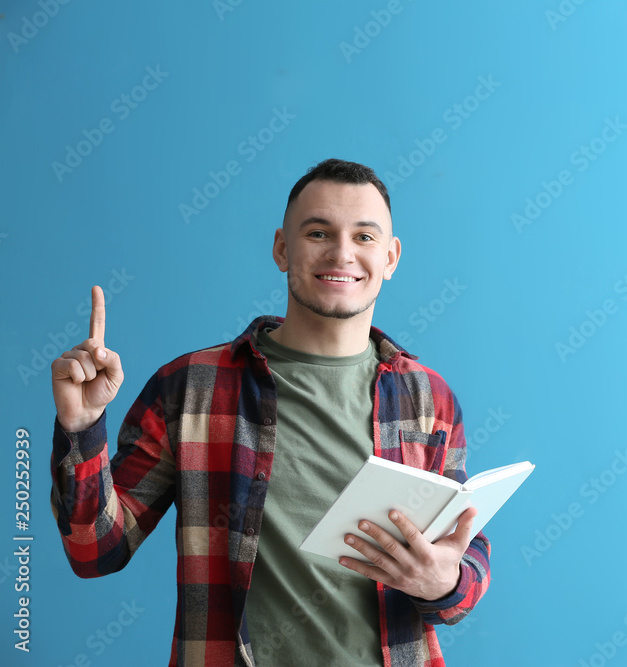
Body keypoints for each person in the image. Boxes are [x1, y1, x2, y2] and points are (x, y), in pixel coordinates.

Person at [49, 158, 490, 666]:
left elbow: (463, 557)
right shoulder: (190, 387)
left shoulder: (429, 399)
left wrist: (446, 581)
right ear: (283, 248)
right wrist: (81, 427)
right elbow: (95, 551)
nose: (342, 252)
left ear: (390, 257)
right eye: (319, 232)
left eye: (364, 237)